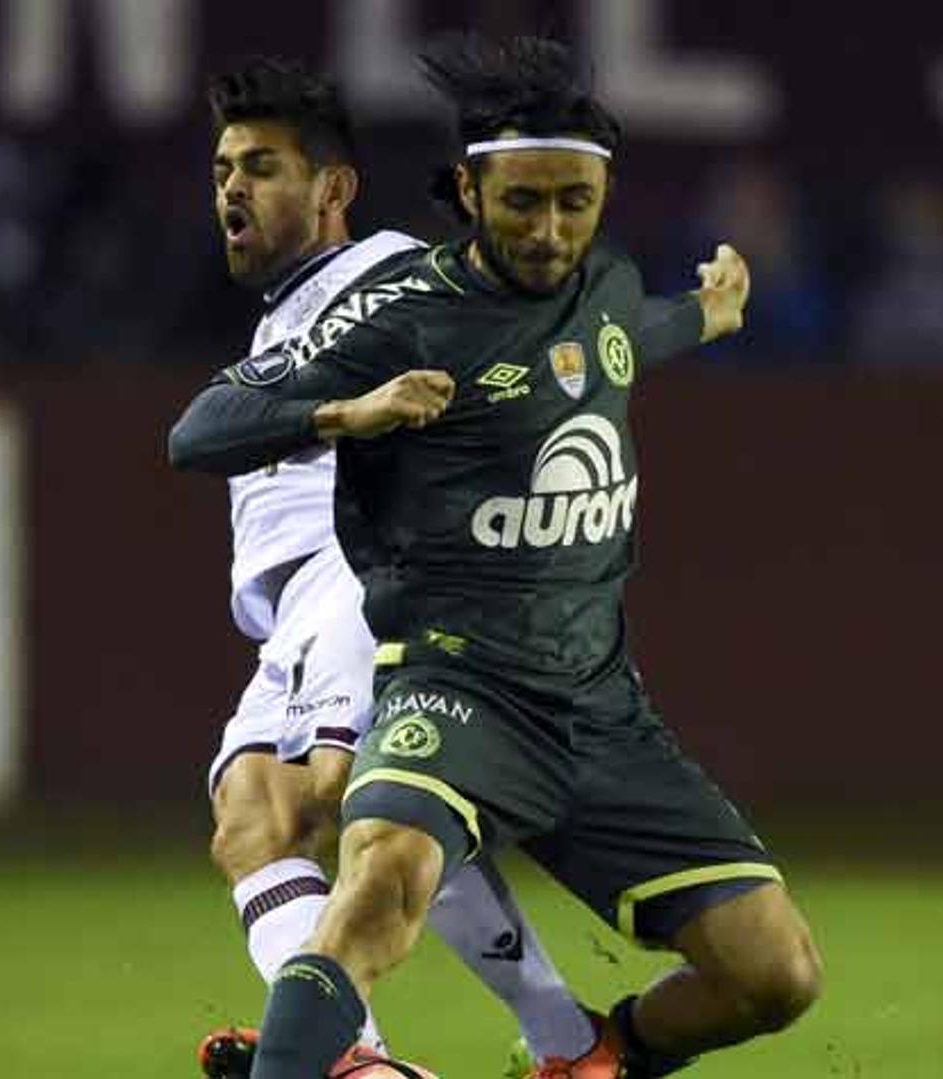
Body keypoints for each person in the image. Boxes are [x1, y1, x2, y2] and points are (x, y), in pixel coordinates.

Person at [168, 36, 823, 1079]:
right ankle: (329, 1060)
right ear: (469, 191)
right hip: (457, 685)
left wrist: (710, 312)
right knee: (374, 874)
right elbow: (198, 433)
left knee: (777, 973)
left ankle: (586, 1055)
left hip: (603, 706)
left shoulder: (600, 286)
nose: (551, 229)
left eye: (576, 201)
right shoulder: (404, 311)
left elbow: (615, 345)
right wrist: (353, 409)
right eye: (523, 201)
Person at [179, 57, 603, 1078]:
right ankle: (408, 1056)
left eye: (264, 166)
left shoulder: (391, 272)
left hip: (364, 560)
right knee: (250, 815)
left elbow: (501, 344)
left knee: (349, 793)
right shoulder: (287, 315)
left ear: (333, 189)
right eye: (225, 167)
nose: (233, 187)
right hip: (294, 609)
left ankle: (527, 1046)